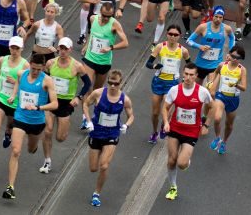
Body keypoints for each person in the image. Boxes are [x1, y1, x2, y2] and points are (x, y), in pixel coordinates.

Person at [4, 53, 58, 200]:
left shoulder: (47, 81)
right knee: (15, 151)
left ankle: (32, 146)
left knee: (31, 149)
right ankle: (10, 187)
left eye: (38, 69)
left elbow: (55, 104)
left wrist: (38, 107)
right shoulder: (22, 74)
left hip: (37, 122)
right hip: (20, 117)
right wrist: (13, 96)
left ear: (42, 68)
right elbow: (17, 83)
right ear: (30, 64)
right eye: (33, 68)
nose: (35, 72)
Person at [160, 62, 214, 201]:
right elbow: (165, 107)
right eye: (186, 74)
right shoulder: (174, 90)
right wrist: (166, 122)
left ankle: (186, 160)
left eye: (191, 75)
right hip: (175, 128)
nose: (188, 77)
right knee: (171, 161)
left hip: (191, 131)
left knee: (181, 163)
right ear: (183, 74)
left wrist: (206, 124)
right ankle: (173, 187)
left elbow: (212, 107)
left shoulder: (202, 92)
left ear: (196, 76)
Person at [83, 68, 134, 208]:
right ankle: (99, 160)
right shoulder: (98, 93)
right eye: (110, 82)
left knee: (104, 166)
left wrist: (126, 126)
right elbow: (86, 104)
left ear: (121, 84)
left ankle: (96, 194)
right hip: (96, 132)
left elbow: (131, 116)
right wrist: (88, 121)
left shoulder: (125, 99)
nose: (112, 86)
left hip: (112, 134)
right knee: (93, 168)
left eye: (116, 84)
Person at [42, 37, 91, 174]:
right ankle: (47, 161)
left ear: (70, 50)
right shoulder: (50, 63)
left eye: (65, 49)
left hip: (66, 103)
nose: (62, 51)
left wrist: (79, 97)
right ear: (58, 48)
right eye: (61, 48)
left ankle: (64, 123)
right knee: (47, 131)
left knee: (60, 138)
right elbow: (44, 81)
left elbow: (87, 83)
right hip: (51, 100)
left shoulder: (77, 66)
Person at [0, 36, 28, 176]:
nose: (14, 51)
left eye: (17, 48)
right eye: (12, 48)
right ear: (9, 47)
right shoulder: (3, 59)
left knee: (10, 124)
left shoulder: (25, 65)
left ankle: (8, 133)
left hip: (13, 102)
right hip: (1, 98)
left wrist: (15, 81)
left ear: (21, 49)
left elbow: (25, 85)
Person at [146, 24, 190, 143]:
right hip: (158, 82)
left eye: (175, 35)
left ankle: (164, 125)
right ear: (167, 34)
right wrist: (155, 65)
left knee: (166, 109)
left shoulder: (183, 50)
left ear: (179, 36)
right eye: (170, 34)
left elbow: (190, 66)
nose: (172, 37)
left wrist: (185, 78)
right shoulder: (160, 47)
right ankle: (155, 132)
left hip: (172, 83)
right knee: (155, 113)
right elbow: (148, 63)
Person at [209, 45, 247, 155]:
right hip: (221, 96)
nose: (234, 59)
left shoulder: (242, 70)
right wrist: (212, 82)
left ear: (240, 58)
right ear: (229, 54)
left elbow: (244, 87)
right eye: (232, 55)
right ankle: (217, 138)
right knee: (217, 118)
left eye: (237, 57)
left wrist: (236, 85)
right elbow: (215, 72)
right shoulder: (222, 65)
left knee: (229, 124)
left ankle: (224, 142)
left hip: (233, 99)